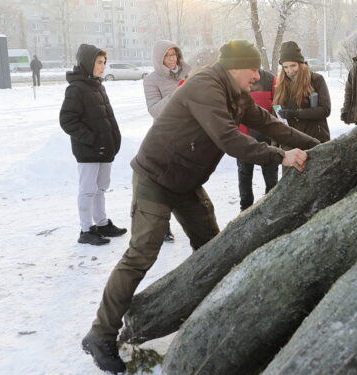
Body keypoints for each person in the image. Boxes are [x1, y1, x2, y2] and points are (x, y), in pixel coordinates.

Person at [80, 39, 319, 373]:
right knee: (140, 255)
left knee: (213, 249)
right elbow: (229, 139)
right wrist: (281, 156)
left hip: (186, 182)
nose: (258, 76)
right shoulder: (206, 86)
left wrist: (320, 148)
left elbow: (269, 124)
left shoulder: (236, 93)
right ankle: (100, 334)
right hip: (156, 178)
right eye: (253, 69)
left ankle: (208, 317)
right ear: (237, 67)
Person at [60, 44, 127, 246]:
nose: (103, 66)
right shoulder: (76, 88)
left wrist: (113, 140)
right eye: (99, 62)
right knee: (88, 190)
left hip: (105, 149)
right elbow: (67, 120)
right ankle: (86, 230)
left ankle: (102, 223)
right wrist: (92, 139)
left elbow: (106, 117)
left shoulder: (98, 85)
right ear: (88, 63)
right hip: (88, 151)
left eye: (104, 62)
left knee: (100, 188)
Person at [143, 40, 191, 241]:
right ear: (159, 59)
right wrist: (176, 93)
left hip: (189, 135)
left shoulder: (189, 73)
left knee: (189, 182)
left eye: (174, 55)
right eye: (167, 56)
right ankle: (163, 226)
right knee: (165, 184)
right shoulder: (151, 80)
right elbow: (154, 109)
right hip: (166, 137)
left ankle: (193, 223)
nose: (172, 59)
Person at [237, 68, 279, 211]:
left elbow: (277, 105)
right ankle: (245, 206)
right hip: (243, 136)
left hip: (266, 136)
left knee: (271, 174)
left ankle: (272, 204)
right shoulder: (237, 80)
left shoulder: (270, 79)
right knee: (244, 174)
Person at [274, 41, 331, 143]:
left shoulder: (316, 79)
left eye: (293, 65)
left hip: (315, 138)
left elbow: (325, 110)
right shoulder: (281, 84)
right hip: (291, 141)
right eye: (285, 67)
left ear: (300, 64)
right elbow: (276, 114)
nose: (290, 71)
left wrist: (296, 113)